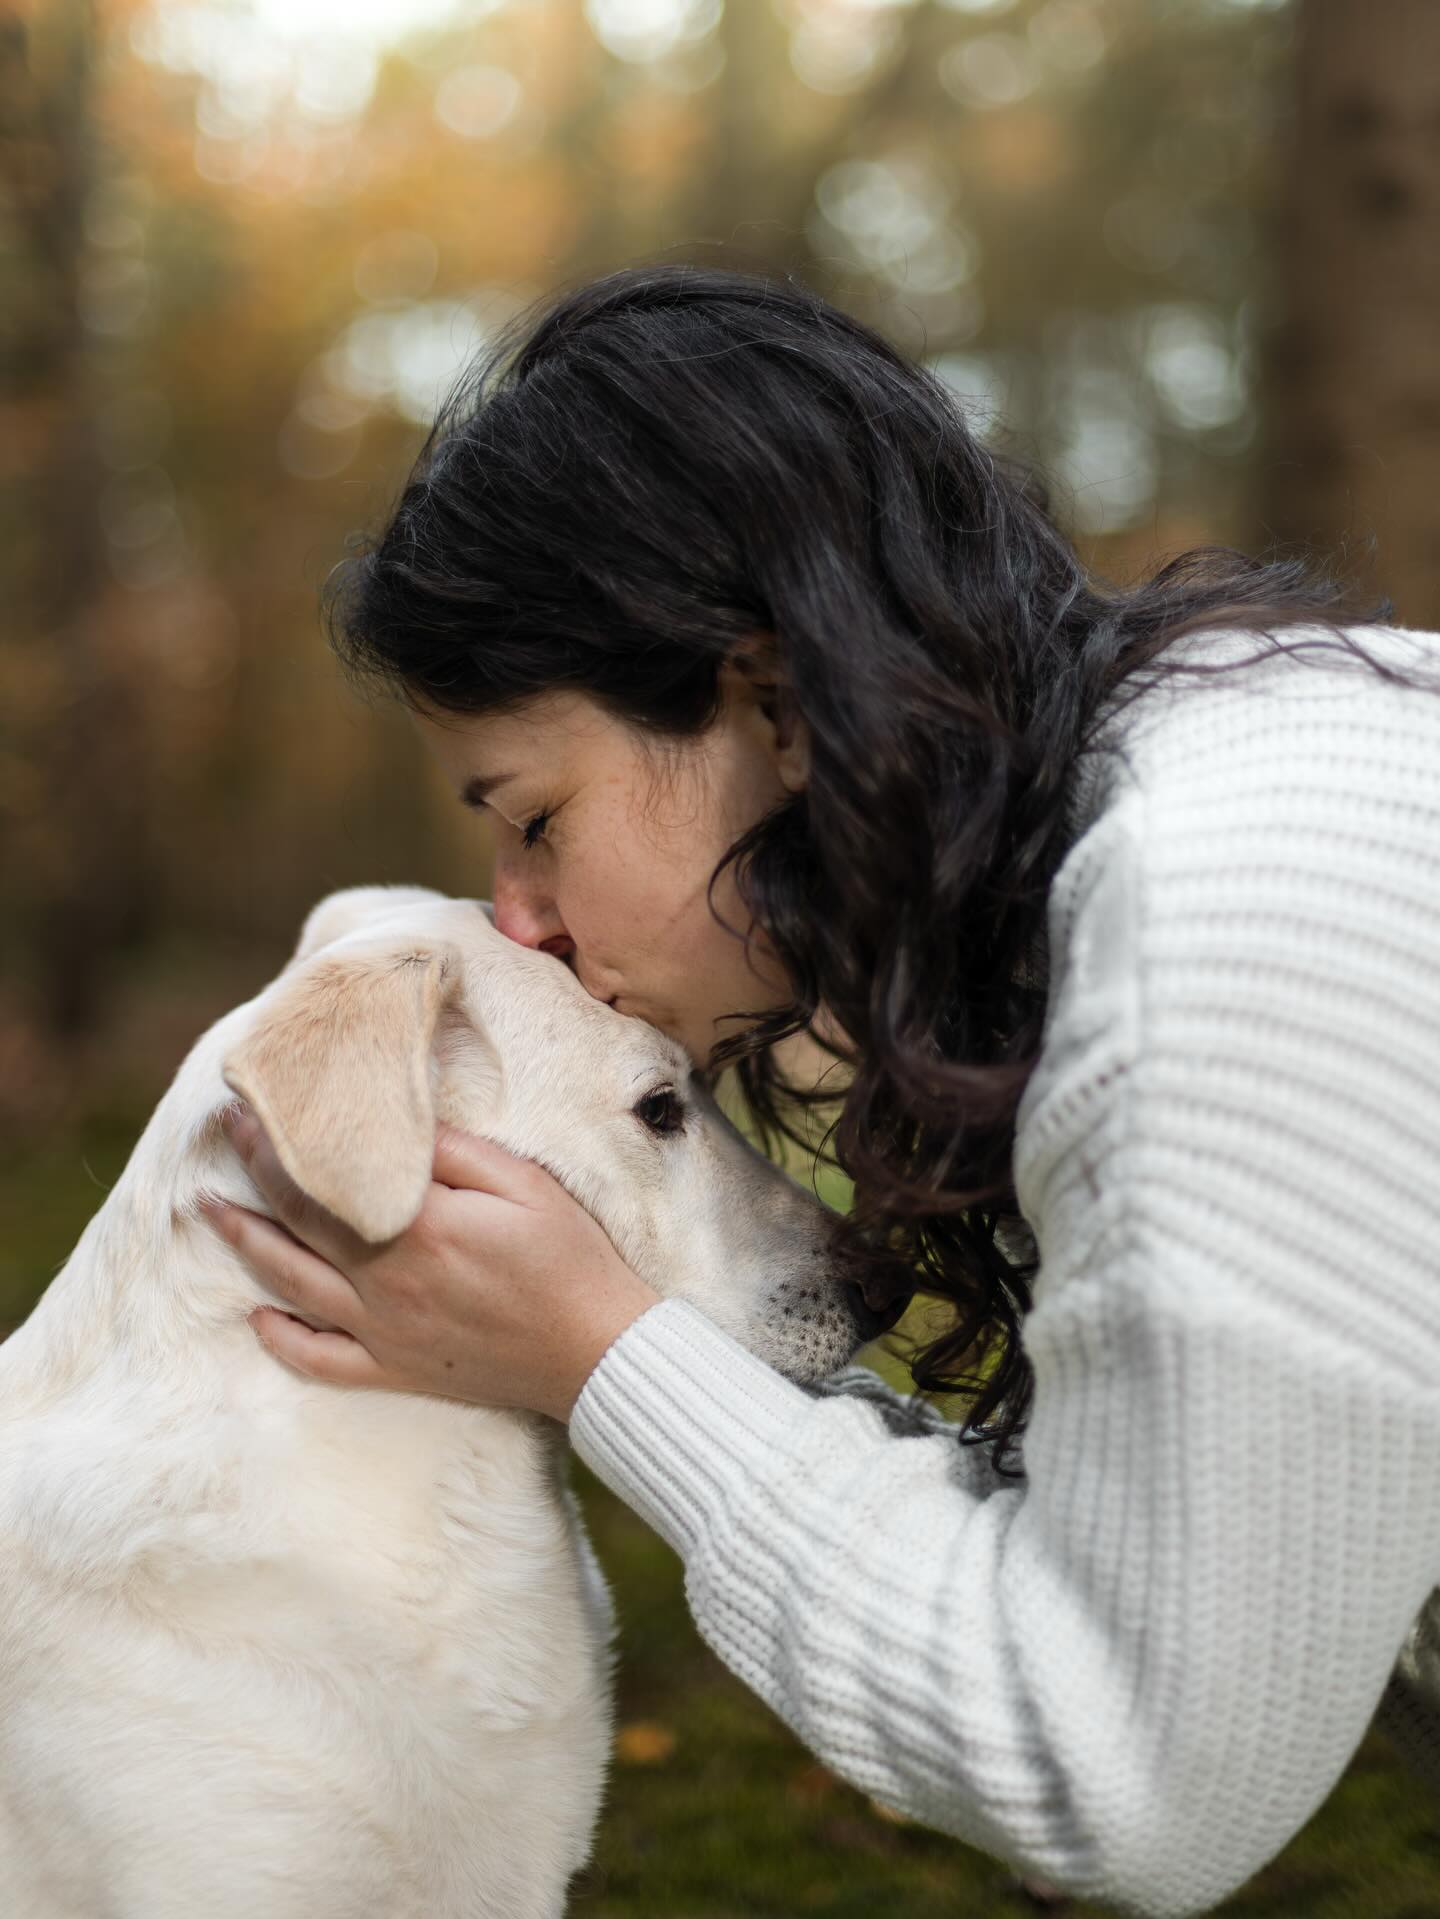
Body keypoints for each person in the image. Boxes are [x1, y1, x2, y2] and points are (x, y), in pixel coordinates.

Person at [201, 263, 1440, 1918]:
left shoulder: (1219, 919)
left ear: (772, 704)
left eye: (535, 813)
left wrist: (605, 1356)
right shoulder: (1216, 783)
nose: (519, 916)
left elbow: (1136, 1779)